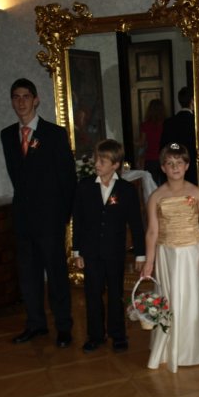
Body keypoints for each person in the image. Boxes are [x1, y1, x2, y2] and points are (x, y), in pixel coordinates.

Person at [1, 78, 77, 348]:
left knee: (56, 276)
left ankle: (64, 327)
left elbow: (68, 179)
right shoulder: (7, 135)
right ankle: (35, 324)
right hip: (23, 219)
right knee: (28, 276)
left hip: (50, 219)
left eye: (25, 96)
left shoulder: (54, 134)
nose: (21, 101)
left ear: (36, 100)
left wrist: (63, 217)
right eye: (16, 97)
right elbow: (17, 177)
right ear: (12, 102)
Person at [141, 142, 199, 372]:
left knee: (193, 298)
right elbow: (152, 231)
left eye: (179, 163)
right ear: (163, 168)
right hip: (167, 254)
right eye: (170, 163)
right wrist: (149, 261)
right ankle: (169, 346)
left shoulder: (197, 193)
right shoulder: (156, 196)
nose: (175, 167)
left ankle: (195, 347)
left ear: (187, 166)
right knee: (170, 298)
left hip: (193, 253)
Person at [72, 139, 145, 353]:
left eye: (103, 161)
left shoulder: (126, 190)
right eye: (97, 159)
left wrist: (141, 254)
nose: (97, 164)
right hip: (90, 252)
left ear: (115, 164)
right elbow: (78, 220)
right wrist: (77, 251)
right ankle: (95, 335)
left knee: (115, 294)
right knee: (92, 294)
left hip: (114, 253)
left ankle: (118, 335)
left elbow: (136, 224)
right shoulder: (85, 186)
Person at [159, 87, 197, 185]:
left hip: (174, 167)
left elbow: (164, 148)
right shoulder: (196, 122)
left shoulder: (169, 122)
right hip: (194, 168)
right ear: (192, 101)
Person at [137, 98, 165, 184]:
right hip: (164, 157)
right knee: (165, 184)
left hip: (150, 158)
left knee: (152, 185)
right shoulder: (166, 124)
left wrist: (133, 143)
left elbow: (142, 143)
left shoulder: (145, 125)